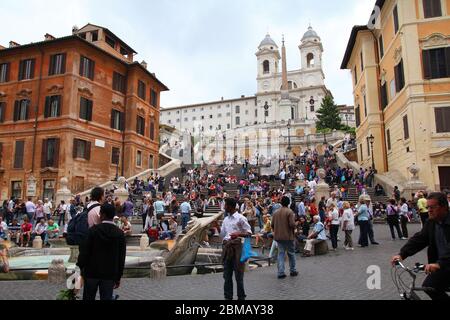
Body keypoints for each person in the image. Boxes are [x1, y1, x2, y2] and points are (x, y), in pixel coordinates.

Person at [391, 192, 450, 300]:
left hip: (444, 263)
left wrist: (439, 264)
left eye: (433, 207)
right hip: (442, 265)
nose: (429, 210)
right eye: (428, 207)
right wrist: (402, 254)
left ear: (444, 207)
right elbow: (419, 239)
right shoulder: (431, 223)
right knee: (429, 287)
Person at [77, 203, 126, 301]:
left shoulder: (92, 231)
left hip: (91, 272)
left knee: (88, 297)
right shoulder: (120, 234)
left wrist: (80, 267)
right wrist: (118, 276)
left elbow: (84, 251)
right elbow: (121, 257)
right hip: (109, 274)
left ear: (102, 214)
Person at [220, 197, 252, 301]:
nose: (224, 207)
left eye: (225, 205)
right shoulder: (225, 219)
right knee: (227, 275)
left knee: (239, 275)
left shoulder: (240, 218)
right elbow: (223, 235)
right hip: (227, 247)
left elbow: (249, 233)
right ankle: (228, 297)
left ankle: (241, 297)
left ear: (230, 206)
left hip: (238, 248)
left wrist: (239, 233)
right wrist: (216, 226)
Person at [271, 196, 298, 279]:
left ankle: (280, 272)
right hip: (288, 236)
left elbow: (272, 225)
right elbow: (292, 224)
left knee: (281, 254)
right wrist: (296, 223)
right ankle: (292, 270)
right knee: (291, 253)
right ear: (288, 203)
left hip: (278, 236)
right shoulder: (289, 212)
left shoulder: (275, 212)